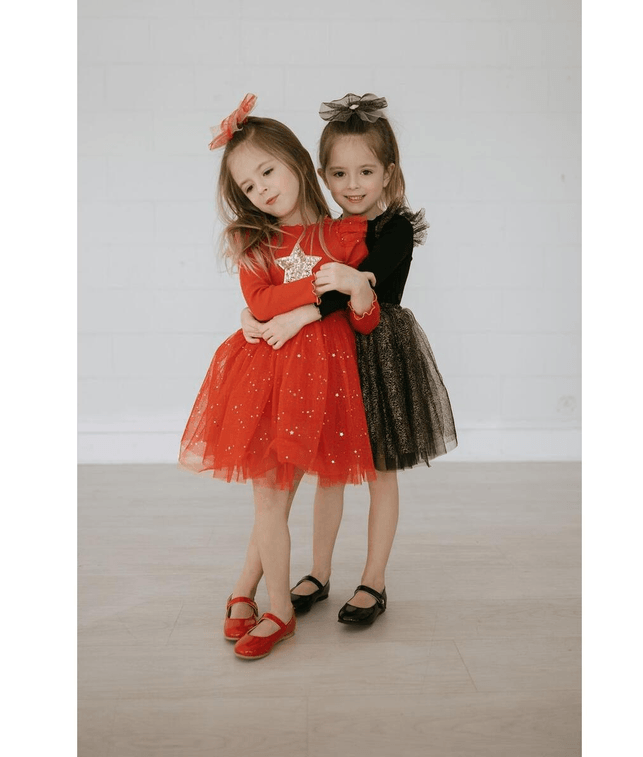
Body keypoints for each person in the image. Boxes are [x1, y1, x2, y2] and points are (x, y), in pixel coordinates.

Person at [242, 93, 457, 627]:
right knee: (329, 473)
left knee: (381, 472)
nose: (353, 185)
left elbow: (364, 283)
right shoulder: (330, 230)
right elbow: (295, 277)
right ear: (322, 176)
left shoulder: (396, 229)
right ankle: (318, 572)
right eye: (339, 174)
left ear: (389, 174)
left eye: (366, 172)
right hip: (329, 358)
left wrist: (304, 313)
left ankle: (373, 578)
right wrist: (259, 314)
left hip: (381, 354)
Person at [179, 94, 380, 660]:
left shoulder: (346, 235)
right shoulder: (254, 240)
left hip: (325, 382)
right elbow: (262, 303)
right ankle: (279, 611)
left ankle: (245, 589)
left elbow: (364, 318)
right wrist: (321, 286)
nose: (261, 190)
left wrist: (352, 287)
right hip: (267, 378)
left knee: (288, 494)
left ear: (296, 160)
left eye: (267, 171)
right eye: (248, 186)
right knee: (269, 497)